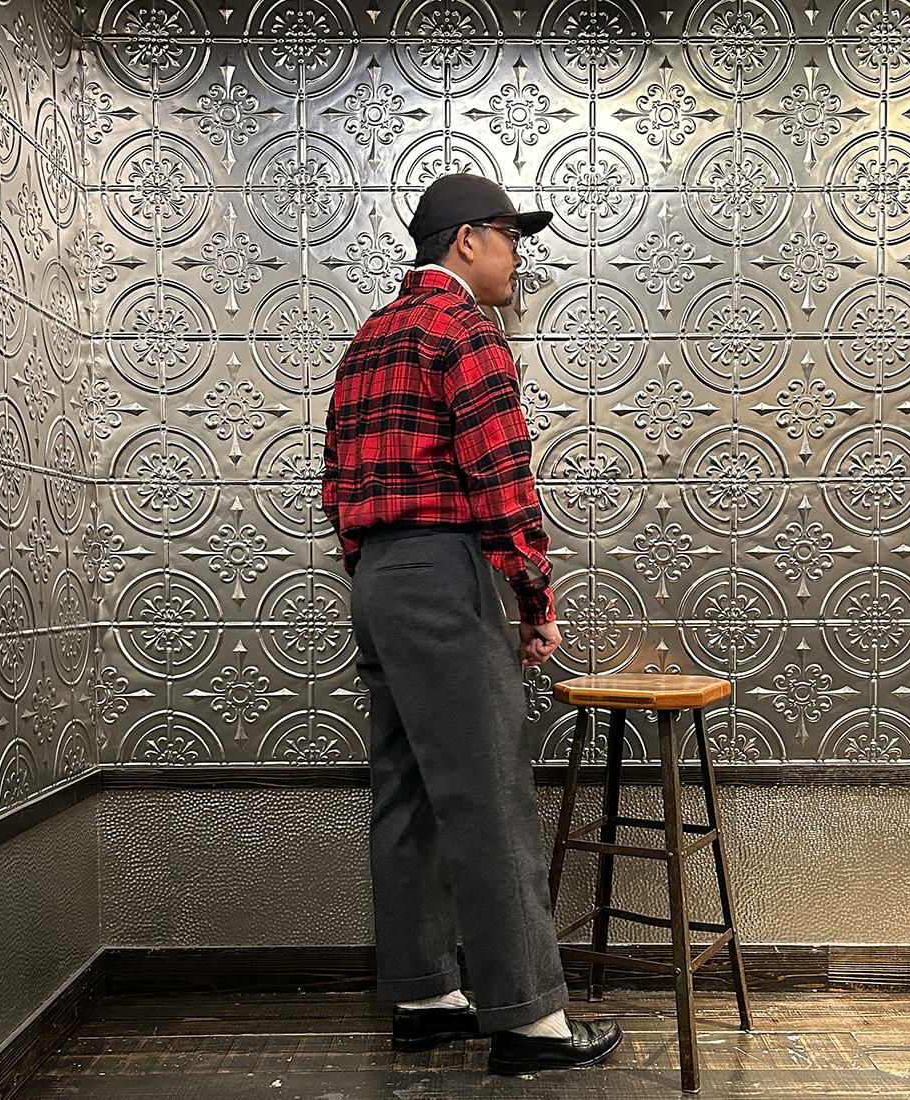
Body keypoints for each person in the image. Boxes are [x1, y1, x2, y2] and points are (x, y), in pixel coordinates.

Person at [320, 174, 623, 1075]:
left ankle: (424, 995)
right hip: (443, 572)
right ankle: (530, 1024)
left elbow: (336, 479)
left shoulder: (369, 337)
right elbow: (502, 480)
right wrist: (534, 600)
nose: (516, 258)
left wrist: (375, 570)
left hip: (378, 578)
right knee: (489, 795)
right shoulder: (466, 332)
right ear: (466, 241)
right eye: (510, 239)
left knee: (405, 788)